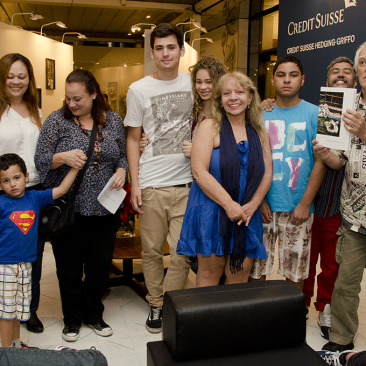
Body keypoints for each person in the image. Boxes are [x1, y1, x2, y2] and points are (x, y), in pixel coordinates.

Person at [35, 69, 128, 342]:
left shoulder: (112, 120)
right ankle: (72, 319)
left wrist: (123, 171)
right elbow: (41, 162)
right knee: (69, 269)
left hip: (104, 209)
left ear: (94, 94)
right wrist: (62, 157)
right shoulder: (56, 121)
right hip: (70, 210)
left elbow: (121, 155)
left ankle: (94, 315)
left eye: (78, 99)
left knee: (99, 268)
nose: (72, 104)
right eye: (68, 98)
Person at [125, 23, 193, 334]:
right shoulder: (138, 89)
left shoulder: (196, 84)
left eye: (171, 47)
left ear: (181, 49)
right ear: (152, 52)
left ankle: (171, 302)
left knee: (182, 252)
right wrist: (135, 184)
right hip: (151, 184)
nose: (165, 53)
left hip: (188, 184)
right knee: (151, 251)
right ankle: (155, 302)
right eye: (159, 48)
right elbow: (132, 138)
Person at [177, 71, 272, 286]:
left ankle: (231, 321)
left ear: (250, 97)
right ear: (220, 100)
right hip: (212, 211)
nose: (233, 97)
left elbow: (267, 172)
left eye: (239, 92)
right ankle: (206, 321)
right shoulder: (209, 126)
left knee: (239, 274)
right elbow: (199, 171)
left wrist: (252, 206)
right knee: (210, 273)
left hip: (247, 213)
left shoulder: (259, 132)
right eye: (227, 93)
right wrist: (229, 205)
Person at [250, 55, 326, 291]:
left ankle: (290, 319)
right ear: (273, 80)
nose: (287, 80)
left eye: (293, 75)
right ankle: (255, 315)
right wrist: (259, 200)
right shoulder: (259, 114)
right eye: (281, 75)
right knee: (256, 267)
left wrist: (305, 204)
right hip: (263, 206)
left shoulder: (315, 114)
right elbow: (251, 161)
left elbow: (320, 162)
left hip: (298, 206)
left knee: (296, 269)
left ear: (302, 80)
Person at [314, 41, 366, 353]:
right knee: (346, 285)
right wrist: (324, 153)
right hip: (354, 216)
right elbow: (340, 161)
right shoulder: (346, 106)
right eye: (363, 63)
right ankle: (341, 342)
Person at [302, 57, 357, 340]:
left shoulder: (359, 112)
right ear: (327, 79)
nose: (341, 75)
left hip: (342, 204)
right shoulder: (316, 112)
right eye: (335, 71)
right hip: (312, 199)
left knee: (332, 264)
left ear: (355, 79)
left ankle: (325, 307)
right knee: (306, 260)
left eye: (347, 72)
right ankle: (300, 305)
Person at [0, 153, 78, 348]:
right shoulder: (1, 203)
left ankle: (16, 346)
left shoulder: (35, 197)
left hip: (26, 264)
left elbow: (61, 190)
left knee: (19, 310)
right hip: (5, 266)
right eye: (6, 181)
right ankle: (6, 352)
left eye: (16, 178)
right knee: (6, 313)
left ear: (26, 176)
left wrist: (75, 168)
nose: (13, 184)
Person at [0, 53, 45, 334]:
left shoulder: (37, 111)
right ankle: (5, 311)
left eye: (22, 76)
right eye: (11, 75)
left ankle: (29, 310)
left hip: (34, 191)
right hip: (4, 193)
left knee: (33, 257)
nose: (17, 81)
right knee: (5, 257)